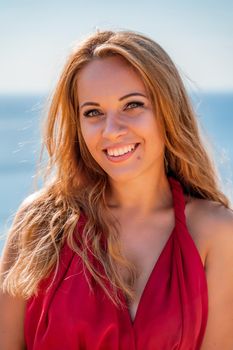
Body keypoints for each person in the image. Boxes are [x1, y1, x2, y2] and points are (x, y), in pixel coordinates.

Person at [0, 29, 233, 350]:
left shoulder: (217, 232)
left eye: (132, 105)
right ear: (78, 125)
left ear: (168, 111)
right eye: (93, 112)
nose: (112, 131)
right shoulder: (39, 224)